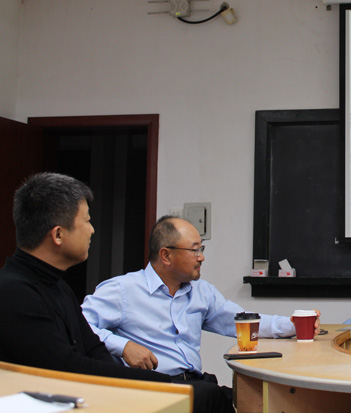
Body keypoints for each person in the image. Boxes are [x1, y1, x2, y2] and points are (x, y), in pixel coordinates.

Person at [82, 215, 318, 413]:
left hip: (194, 383)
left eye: (201, 249)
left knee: (257, 401)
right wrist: (123, 346)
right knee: (214, 396)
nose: (201, 257)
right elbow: (80, 326)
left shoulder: (201, 292)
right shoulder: (123, 290)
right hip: (155, 389)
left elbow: (242, 321)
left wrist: (293, 325)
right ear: (166, 255)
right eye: (195, 250)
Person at [0, 172, 169, 383]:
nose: (92, 230)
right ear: (58, 234)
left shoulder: (59, 286)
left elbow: (94, 349)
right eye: (87, 221)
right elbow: (69, 368)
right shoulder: (13, 292)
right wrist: (165, 385)